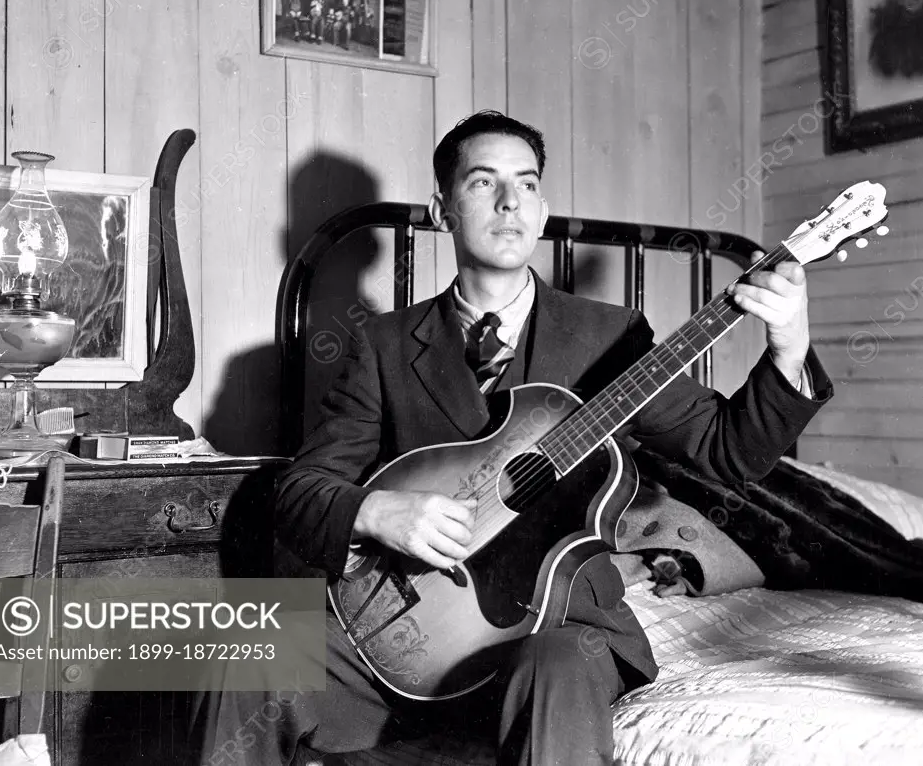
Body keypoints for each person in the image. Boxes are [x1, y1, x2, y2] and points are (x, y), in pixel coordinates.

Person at [191, 111, 832, 766]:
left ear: (543, 208)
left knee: (557, 663)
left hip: (554, 635)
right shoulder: (380, 347)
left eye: (526, 185)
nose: (509, 203)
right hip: (403, 636)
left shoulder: (610, 337)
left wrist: (789, 348)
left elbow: (730, 453)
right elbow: (300, 492)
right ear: (441, 209)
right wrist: (377, 511)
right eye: (483, 183)